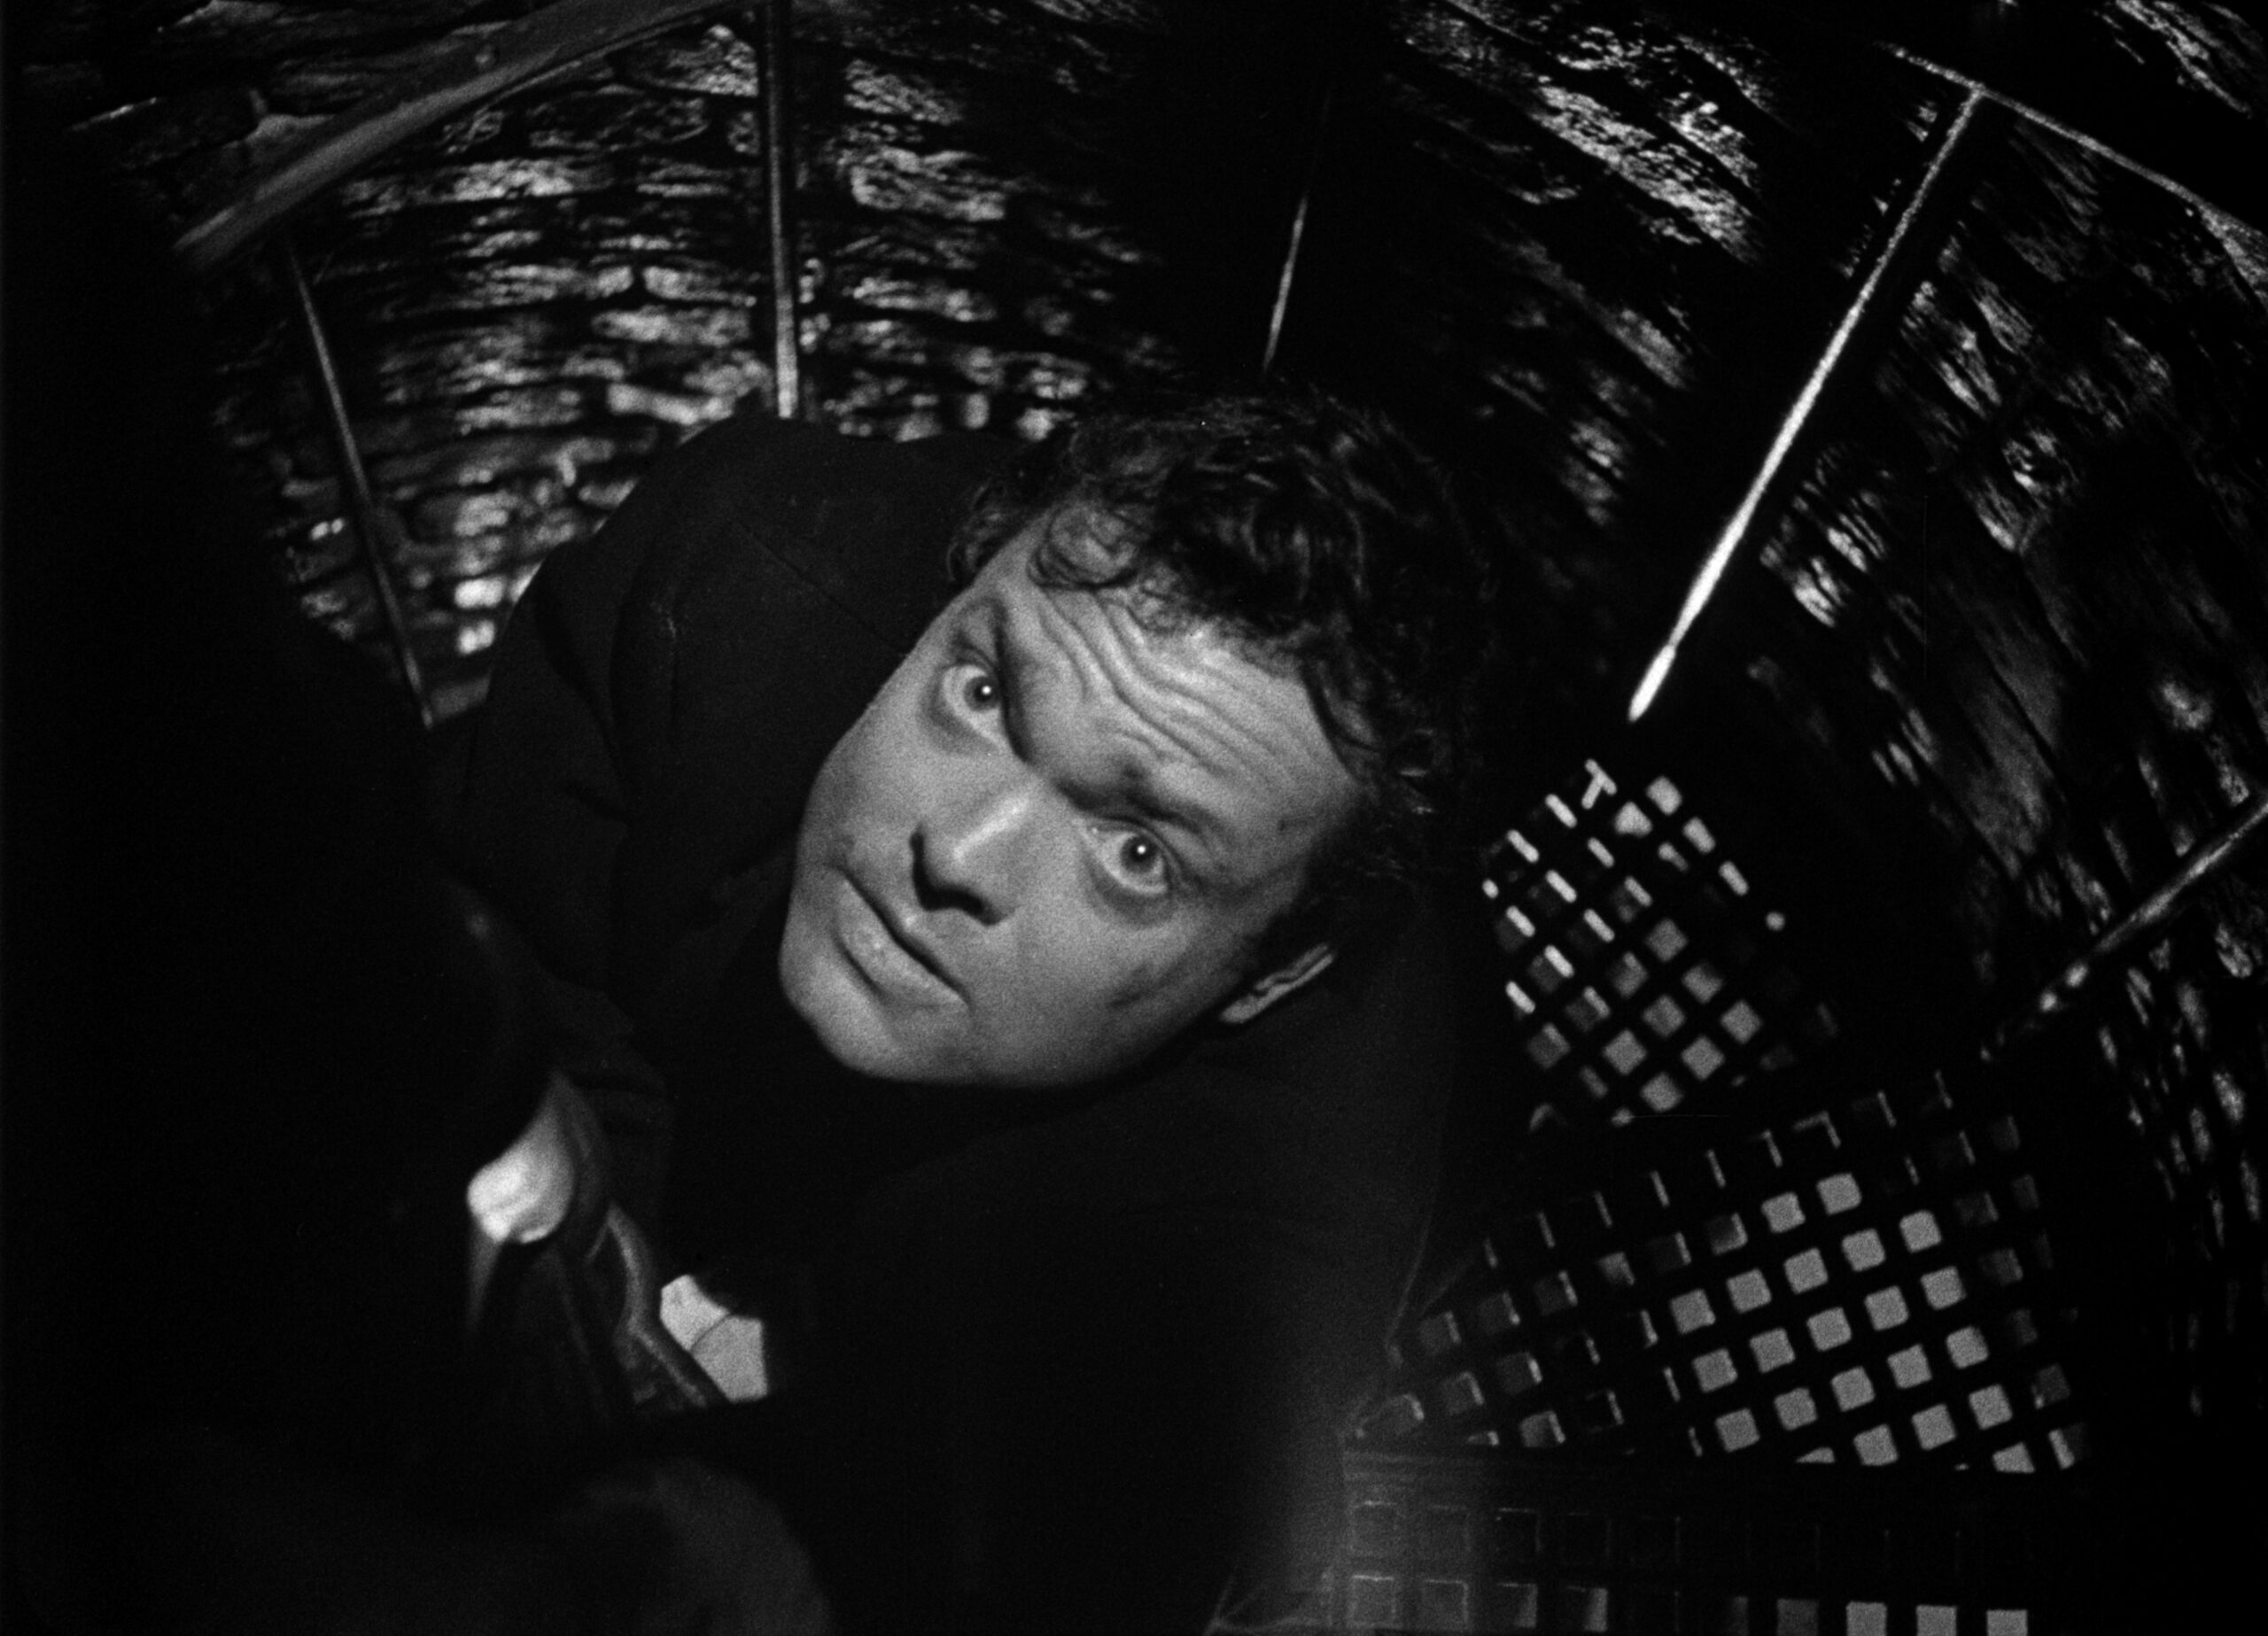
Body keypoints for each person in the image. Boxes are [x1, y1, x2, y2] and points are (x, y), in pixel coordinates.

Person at [429, 391, 1501, 1633]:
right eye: (987, 695)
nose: (957, 852)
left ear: (1272, 974)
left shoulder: (1237, 1256)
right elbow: (489, 897)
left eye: (1137, 854)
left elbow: (1034, 1547)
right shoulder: (748, 567)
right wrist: (599, 1208)